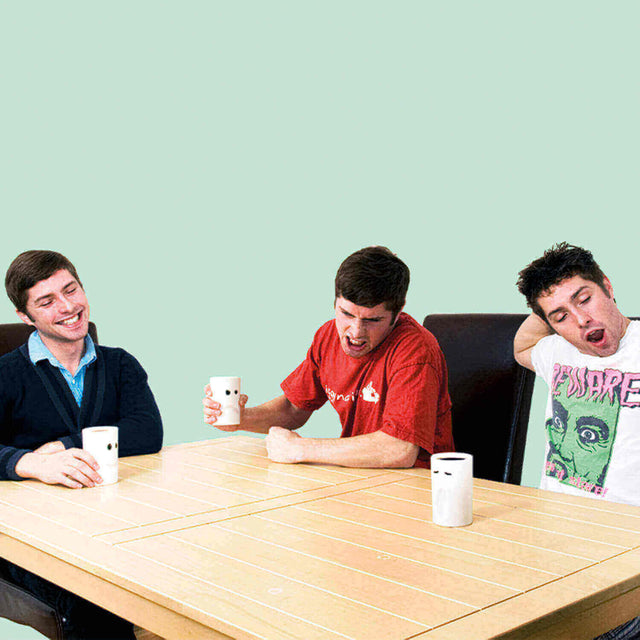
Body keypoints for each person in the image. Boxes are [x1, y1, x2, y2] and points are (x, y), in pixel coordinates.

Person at [0, 250, 163, 640]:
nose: (68, 306)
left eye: (71, 290)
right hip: (29, 541)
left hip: (111, 529)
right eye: (47, 301)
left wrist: (64, 444)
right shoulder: (5, 375)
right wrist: (31, 463)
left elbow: (147, 431)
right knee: (97, 599)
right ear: (26, 317)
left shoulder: (120, 364)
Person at [203, 246, 454, 468]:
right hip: (357, 479)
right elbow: (294, 408)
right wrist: (239, 418)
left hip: (417, 485)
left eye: (372, 320)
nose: (355, 332)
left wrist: (301, 449)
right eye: (346, 314)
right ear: (335, 302)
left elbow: (400, 450)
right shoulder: (327, 336)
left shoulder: (416, 350)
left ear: (397, 313)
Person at [514, 242, 640, 640]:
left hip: (622, 561)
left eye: (585, 299)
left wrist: (561, 309)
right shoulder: (557, 352)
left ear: (607, 285)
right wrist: (553, 316)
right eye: (562, 316)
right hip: (551, 548)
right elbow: (520, 346)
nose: (583, 321)